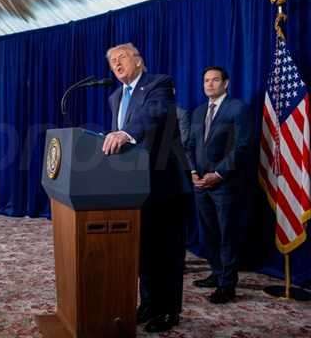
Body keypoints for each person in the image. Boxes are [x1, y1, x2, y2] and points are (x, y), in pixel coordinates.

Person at [102, 43, 189, 333]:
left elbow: (153, 114)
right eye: (112, 61)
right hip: (135, 186)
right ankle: (149, 303)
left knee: (167, 251)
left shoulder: (159, 84)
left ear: (138, 61)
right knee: (145, 250)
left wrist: (126, 133)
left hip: (165, 183)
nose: (116, 64)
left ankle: (169, 311)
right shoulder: (115, 96)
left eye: (122, 57)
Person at [186, 66, 251, 304]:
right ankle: (216, 272)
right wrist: (193, 172)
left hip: (225, 184)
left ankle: (227, 285)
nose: (209, 84)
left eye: (215, 80)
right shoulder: (198, 111)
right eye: (206, 80)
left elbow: (242, 146)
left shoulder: (237, 108)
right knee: (209, 232)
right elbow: (190, 146)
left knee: (226, 234)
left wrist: (219, 173)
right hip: (200, 184)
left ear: (226, 83)